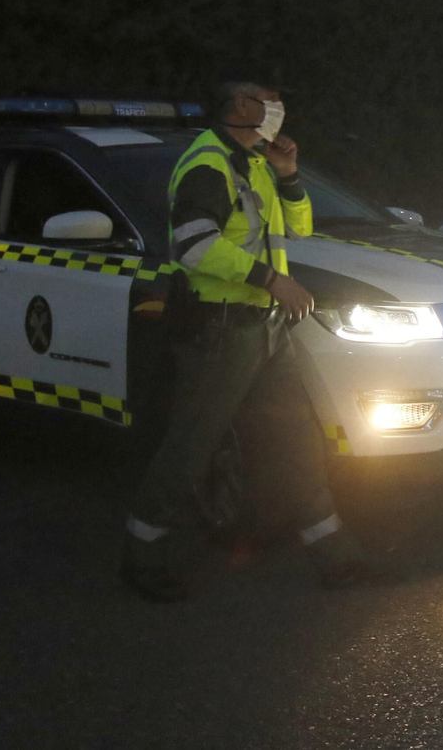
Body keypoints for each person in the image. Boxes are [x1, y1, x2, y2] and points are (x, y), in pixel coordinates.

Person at [120, 74, 373, 602]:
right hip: (221, 330)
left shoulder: (257, 164)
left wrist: (290, 176)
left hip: (263, 330)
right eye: (270, 101)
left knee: (295, 441)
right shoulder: (207, 164)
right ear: (240, 104)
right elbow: (191, 244)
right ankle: (141, 558)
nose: (278, 108)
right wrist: (272, 280)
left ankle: (335, 555)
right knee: (190, 447)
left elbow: (299, 230)